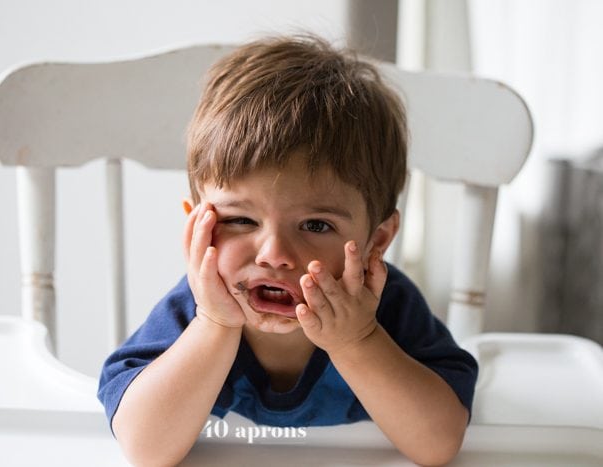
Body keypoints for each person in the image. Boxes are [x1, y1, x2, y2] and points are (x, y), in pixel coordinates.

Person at [98, 34, 478, 466]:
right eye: (240, 220)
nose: (274, 254)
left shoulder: (386, 307)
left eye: (316, 225)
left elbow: (438, 445)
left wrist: (358, 340)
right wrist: (215, 325)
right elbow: (146, 449)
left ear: (377, 241)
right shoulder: (195, 309)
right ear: (196, 229)